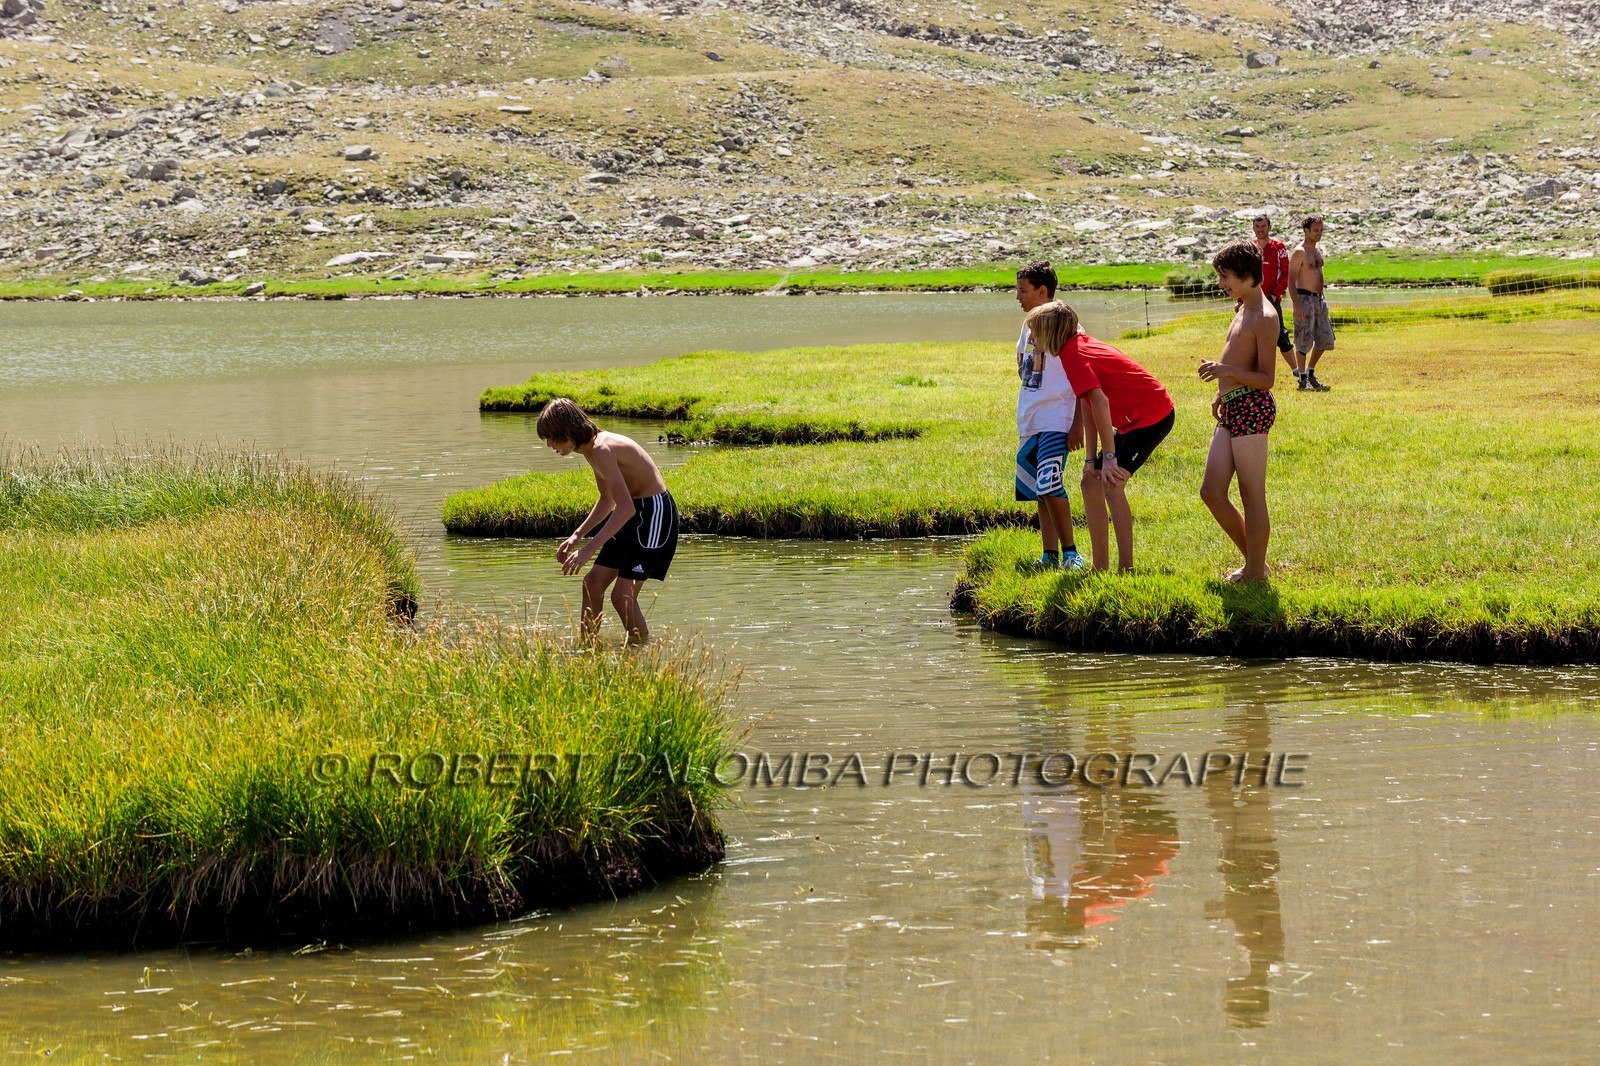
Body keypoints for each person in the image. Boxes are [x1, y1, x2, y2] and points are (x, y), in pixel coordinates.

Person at [1025, 301, 1175, 573]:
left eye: (1035, 331)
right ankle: (1100, 567)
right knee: (1089, 482)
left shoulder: (1074, 354)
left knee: (1112, 484)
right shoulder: (1071, 349)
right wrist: (1090, 460)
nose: (1031, 338)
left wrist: (1109, 458)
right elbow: (1088, 403)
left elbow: (1101, 402)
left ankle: (1126, 569)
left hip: (1153, 417)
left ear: (1052, 332)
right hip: (1132, 422)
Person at [537, 397, 679, 642]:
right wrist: (576, 536)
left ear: (568, 429)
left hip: (653, 513)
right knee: (592, 583)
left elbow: (625, 509)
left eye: (552, 437)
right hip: (633, 511)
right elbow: (607, 501)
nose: (550, 444)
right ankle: (588, 651)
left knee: (622, 596)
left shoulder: (602, 449)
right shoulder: (591, 450)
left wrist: (588, 550)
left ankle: (641, 653)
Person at [1199, 241, 1277, 583]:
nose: (1221, 284)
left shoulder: (1265, 316)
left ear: (1247, 274)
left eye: (1226, 276)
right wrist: (1222, 391)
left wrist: (1225, 372)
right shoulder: (1241, 306)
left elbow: (1267, 379)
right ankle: (1256, 564)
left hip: (1252, 408)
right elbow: (1237, 358)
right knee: (1211, 491)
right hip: (1232, 406)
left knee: (1251, 494)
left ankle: (1255, 572)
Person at [1013, 261, 1086, 571]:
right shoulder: (1027, 324)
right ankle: (1049, 555)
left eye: (1023, 290)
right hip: (1031, 419)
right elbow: (1022, 364)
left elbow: (1085, 377)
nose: (1017, 296)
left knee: (1050, 483)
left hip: (1057, 419)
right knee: (1038, 492)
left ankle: (1072, 553)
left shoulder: (1068, 326)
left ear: (1042, 291)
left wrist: (1077, 424)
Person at [1287, 215, 1333, 391]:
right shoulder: (1299, 252)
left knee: (1325, 338)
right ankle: (1302, 378)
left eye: (1321, 230)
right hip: (1304, 299)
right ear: (1306, 231)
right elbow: (1290, 281)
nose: (1319, 233)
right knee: (1303, 339)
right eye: (1316, 230)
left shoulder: (1317, 249)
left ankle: (1310, 371)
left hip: (1319, 299)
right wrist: (1297, 304)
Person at [1250, 214, 1295, 376]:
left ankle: (1297, 372)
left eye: (1263, 226)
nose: (1260, 230)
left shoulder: (1279, 247)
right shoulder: (1251, 248)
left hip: (1271, 299)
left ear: (1270, 227)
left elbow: (1286, 273)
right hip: (1252, 299)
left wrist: (1276, 295)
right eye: (1257, 227)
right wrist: (1241, 299)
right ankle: (1251, 372)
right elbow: (1246, 275)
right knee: (1250, 336)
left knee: (1280, 335)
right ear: (1253, 228)